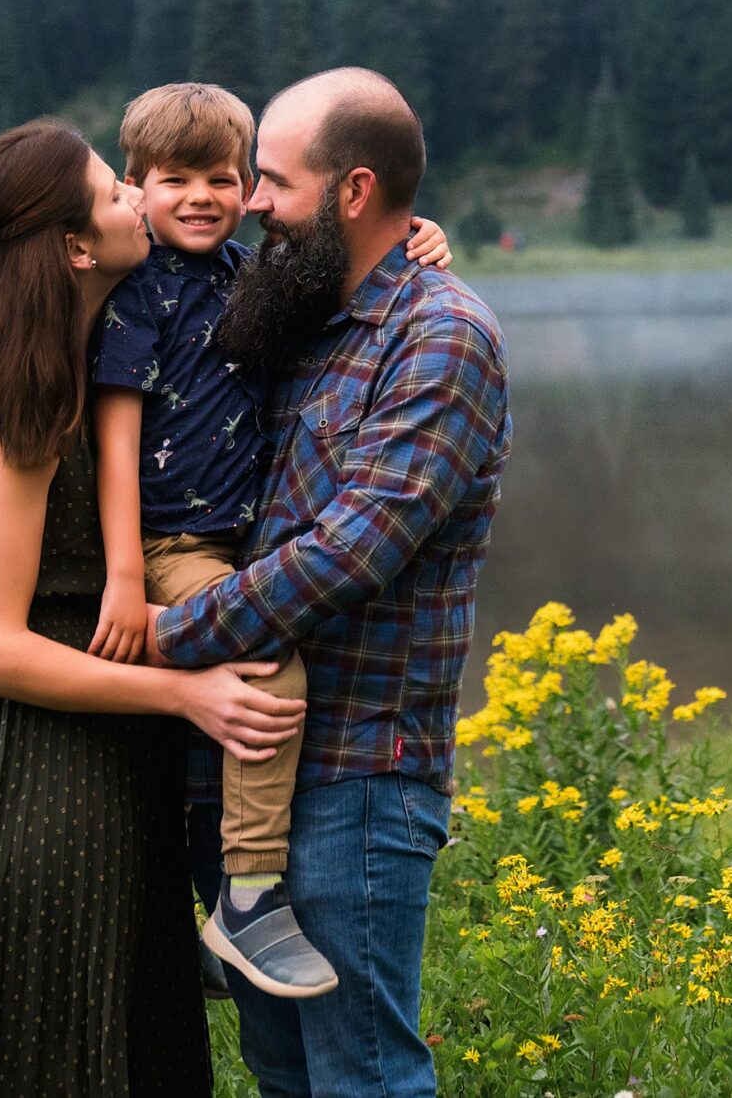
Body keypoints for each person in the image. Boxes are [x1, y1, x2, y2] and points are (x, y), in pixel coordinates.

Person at [0, 119, 307, 1098]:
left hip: (112, 771)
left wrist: (409, 237)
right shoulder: (18, 396)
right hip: (45, 786)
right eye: (116, 190)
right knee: (65, 1060)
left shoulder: (89, 344)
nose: (141, 197)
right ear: (77, 247)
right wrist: (185, 697)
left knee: (139, 1053)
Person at [151, 69, 510, 1098]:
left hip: (356, 770)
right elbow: (144, 244)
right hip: (244, 762)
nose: (251, 200)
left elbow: (348, 553)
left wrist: (158, 635)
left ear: (352, 192)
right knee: (282, 1073)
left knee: (361, 1077)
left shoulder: (441, 335)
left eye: (271, 179)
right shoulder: (294, 307)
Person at [85, 81, 449, 998]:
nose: (219, 198)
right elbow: (114, 440)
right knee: (268, 670)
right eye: (176, 180)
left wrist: (417, 234)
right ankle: (247, 894)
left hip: (238, 560)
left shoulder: (249, 274)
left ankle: (225, 913)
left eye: (235, 177)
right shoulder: (136, 294)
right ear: (135, 189)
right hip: (172, 542)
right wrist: (127, 578)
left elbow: (345, 254)